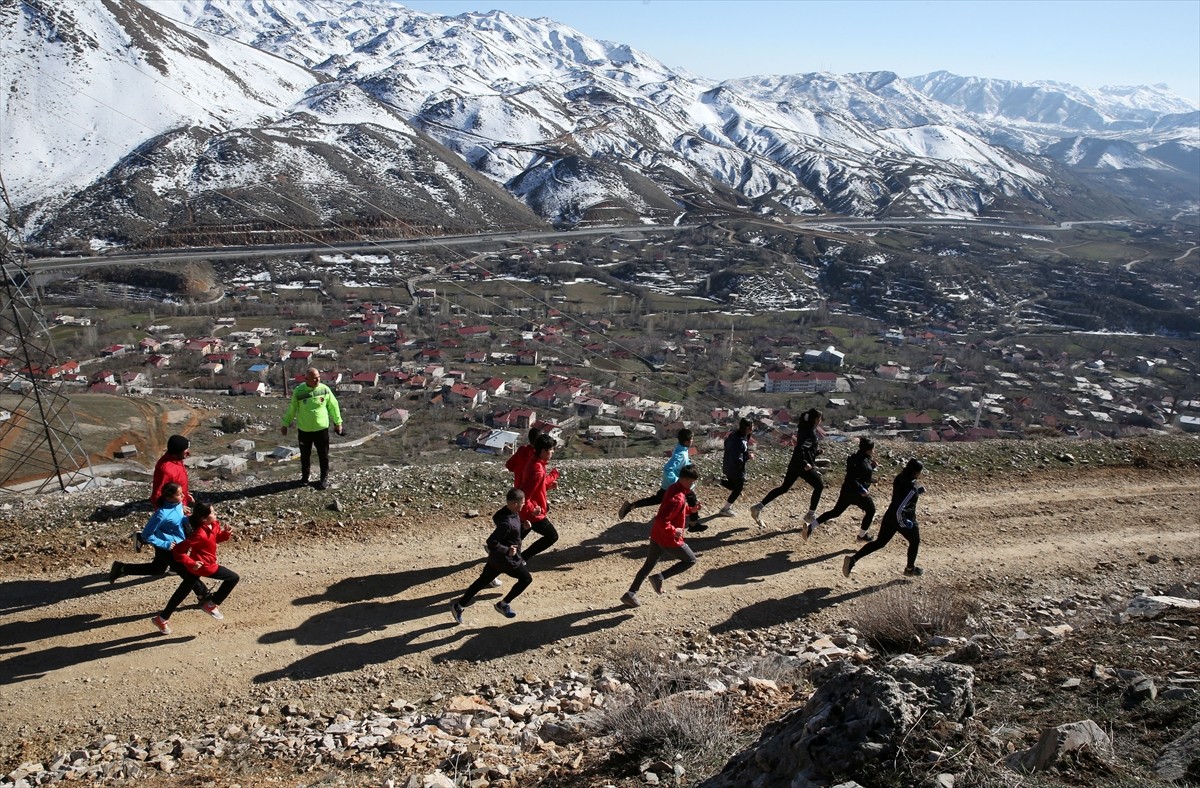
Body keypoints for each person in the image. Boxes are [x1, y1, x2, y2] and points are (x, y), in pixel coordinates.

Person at [109, 482, 209, 602]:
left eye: (182, 493)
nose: (183, 496)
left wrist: (185, 511)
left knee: (157, 569)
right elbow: (146, 534)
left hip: (177, 543)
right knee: (186, 571)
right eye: (179, 494)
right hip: (168, 548)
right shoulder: (161, 514)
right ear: (168, 497)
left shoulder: (177, 504)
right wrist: (164, 544)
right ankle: (204, 596)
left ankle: (121, 568)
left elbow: (177, 517)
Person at [152, 502, 240, 634]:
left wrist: (226, 534)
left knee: (183, 591)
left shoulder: (214, 525)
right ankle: (211, 605)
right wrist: (191, 562)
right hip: (204, 566)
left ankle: (162, 618)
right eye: (212, 512)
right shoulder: (199, 534)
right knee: (233, 578)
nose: (215, 514)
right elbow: (178, 550)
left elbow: (215, 539)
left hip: (197, 566)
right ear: (204, 519)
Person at [621, 465, 700, 608]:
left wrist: (690, 509)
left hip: (657, 535)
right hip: (668, 538)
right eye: (693, 481)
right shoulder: (678, 497)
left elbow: (674, 511)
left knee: (648, 565)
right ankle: (659, 577)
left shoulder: (673, 488)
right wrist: (673, 531)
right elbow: (662, 520)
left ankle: (630, 594)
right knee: (690, 560)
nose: (693, 484)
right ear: (686, 479)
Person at [451, 488, 534, 623]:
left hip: (495, 560)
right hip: (507, 561)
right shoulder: (507, 523)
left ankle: (458, 606)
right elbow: (491, 542)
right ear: (515, 504)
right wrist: (507, 550)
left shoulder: (508, 513)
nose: (524, 505)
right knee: (526, 579)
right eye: (522, 503)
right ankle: (503, 604)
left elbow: (514, 536)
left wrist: (524, 528)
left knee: (481, 582)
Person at [842, 458, 926, 578]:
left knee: (879, 542)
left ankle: (853, 559)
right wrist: (904, 522)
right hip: (903, 518)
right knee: (915, 541)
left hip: (889, 516)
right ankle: (910, 569)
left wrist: (917, 491)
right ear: (917, 472)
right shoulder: (912, 488)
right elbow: (901, 507)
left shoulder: (900, 477)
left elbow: (901, 496)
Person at [750, 408, 825, 530]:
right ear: (816, 419)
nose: (821, 421)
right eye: (820, 418)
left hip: (795, 464)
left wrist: (816, 453)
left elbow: (805, 449)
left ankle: (758, 507)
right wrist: (805, 463)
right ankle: (810, 515)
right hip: (802, 465)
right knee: (819, 486)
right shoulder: (810, 433)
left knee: (784, 488)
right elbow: (800, 448)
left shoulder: (804, 429)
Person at [280, 367, 344, 489]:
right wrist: (285, 424)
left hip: (321, 429)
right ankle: (305, 477)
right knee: (305, 455)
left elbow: (333, 406)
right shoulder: (299, 391)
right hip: (305, 430)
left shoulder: (324, 389)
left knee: (323, 455)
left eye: (318, 377)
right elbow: (292, 409)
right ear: (306, 379)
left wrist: (338, 422)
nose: (317, 380)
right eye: (314, 378)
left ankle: (323, 478)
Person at [618, 428, 697, 521]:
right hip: (675, 485)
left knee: (657, 499)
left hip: (671, 484)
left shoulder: (681, 448)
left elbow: (681, 463)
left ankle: (631, 506)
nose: (693, 441)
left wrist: (689, 464)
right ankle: (693, 524)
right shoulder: (680, 454)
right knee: (692, 499)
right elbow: (668, 469)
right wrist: (678, 482)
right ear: (687, 441)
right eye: (691, 439)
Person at [809, 436, 877, 542]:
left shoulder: (856, 458)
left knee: (835, 512)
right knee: (871, 510)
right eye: (872, 449)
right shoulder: (863, 462)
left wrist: (871, 468)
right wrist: (862, 489)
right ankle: (862, 536)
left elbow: (857, 474)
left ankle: (811, 526)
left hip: (846, 491)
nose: (873, 451)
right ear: (868, 450)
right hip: (858, 493)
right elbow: (853, 478)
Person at [518, 433, 561, 561]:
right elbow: (525, 494)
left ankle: (501, 549)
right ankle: (521, 558)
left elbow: (538, 485)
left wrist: (552, 477)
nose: (552, 452)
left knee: (523, 530)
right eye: (551, 449)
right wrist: (532, 509)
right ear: (543, 451)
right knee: (552, 536)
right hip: (533, 512)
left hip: (528, 511)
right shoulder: (537, 470)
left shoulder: (535, 461)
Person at [718, 418, 754, 517]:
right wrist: (748, 457)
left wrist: (745, 453)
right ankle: (725, 509)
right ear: (747, 428)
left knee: (734, 486)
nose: (753, 428)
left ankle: (716, 480)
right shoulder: (740, 441)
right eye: (752, 426)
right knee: (738, 489)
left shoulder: (734, 435)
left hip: (727, 465)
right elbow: (738, 458)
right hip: (736, 468)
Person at [150, 435, 192, 509]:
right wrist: (179, 507)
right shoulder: (166, 470)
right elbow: (158, 496)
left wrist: (185, 494)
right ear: (177, 451)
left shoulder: (176, 460)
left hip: (180, 503)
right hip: (174, 511)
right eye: (185, 450)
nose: (188, 452)